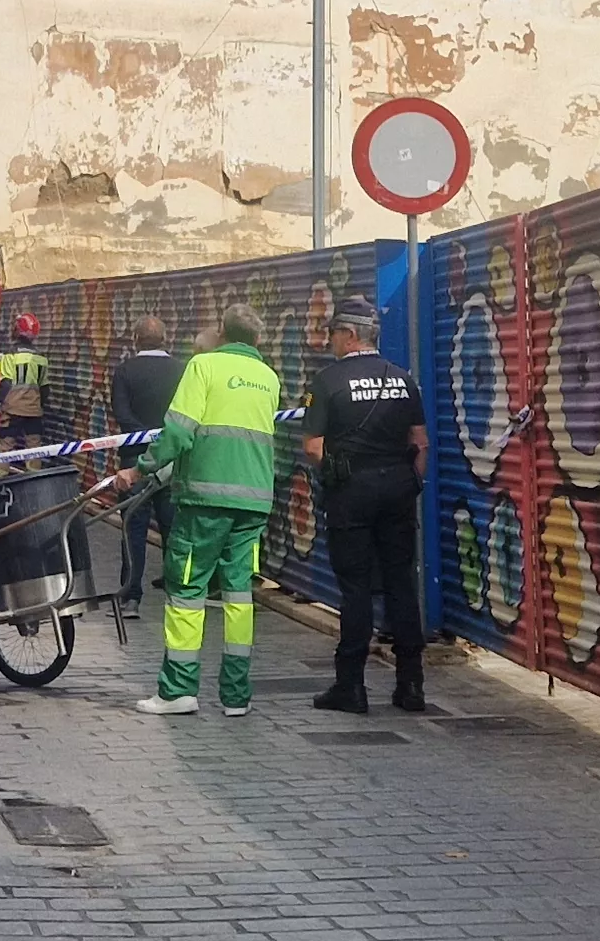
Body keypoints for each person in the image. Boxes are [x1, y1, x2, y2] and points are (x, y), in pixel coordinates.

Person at [124, 307, 283, 717]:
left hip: (206, 501)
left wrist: (141, 467)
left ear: (222, 332)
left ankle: (178, 690)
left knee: (187, 592)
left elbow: (178, 431)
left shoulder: (203, 367)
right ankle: (236, 696)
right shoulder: (269, 378)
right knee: (238, 594)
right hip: (254, 503)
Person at [297, 304, 430, 713]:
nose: (331, 340)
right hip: (398, 488)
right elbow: (420, 443)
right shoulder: (403, 379)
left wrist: (338, 474)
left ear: (350, 335)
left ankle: (351, 686)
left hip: (351, 492)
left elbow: (313, 447)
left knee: (354, 588)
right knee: (401, 583)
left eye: (334, 332)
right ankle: (411, 686)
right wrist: (412, 482)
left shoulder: (328, 380)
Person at [106, 318, 183, 616]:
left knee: (133, 530)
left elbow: (122, 415)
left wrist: (146, 441)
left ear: (136, 338)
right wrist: (164, 441)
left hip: (133, 463)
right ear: (166, 338)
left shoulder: (125, 371)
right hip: (173, 463)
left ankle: (130, 598)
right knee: (173, 530)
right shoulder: (181, 370)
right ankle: (177, 596)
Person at [0, 316, 48, 450]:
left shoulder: (10, 355)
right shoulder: (41, 358)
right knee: (34, 449)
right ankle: (35, 471)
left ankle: (1, 472)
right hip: (34, 412)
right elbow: (45, 388)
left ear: (17, 330)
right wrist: (36, 405)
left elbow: (6, 383)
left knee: (5, 447)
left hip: (12, 411)